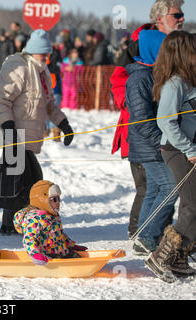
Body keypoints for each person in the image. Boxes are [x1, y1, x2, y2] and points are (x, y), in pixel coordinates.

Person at [110, 0, 185, 239]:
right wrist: (139, 105)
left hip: (161, 130)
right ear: (160, 18)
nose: (182, 19)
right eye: (177, 14)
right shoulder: (142, 44)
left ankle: (152, 234)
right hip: (143, 131)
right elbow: (120, 82)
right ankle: (141, 234)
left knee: (156, 187)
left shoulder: (176, 46)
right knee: (153, 187)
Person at [0, 29, 74, 235]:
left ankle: (20, 223)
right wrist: (7, 126)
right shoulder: (18, 66)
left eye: (48, 54)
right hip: (12, 135)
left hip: (28, 137)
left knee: (32, 180)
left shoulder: (43, 72)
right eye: (43, 54)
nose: (47, 57)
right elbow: (0, 99)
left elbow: (49, 105)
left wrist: (63, 123)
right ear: (33, 51)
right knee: (20, 180)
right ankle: (10, 226)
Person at [145, 30, 196, 283]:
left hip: (189, 149)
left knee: (192, 204)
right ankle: (161, 255)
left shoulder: (189, 81)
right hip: (177, 151)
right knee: (193, 204)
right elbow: (166, 122)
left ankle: (179, 257)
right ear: (183, 52)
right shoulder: (174, 83)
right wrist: (190, 150)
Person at [125, 30, 177, 255]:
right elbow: (141, 119)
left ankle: (142, 236)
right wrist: (163, 141)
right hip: (149, 146)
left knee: (155, 189)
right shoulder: (140, 78)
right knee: (171, 187)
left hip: (154, 145)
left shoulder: (154, 74)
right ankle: (147, 236)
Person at [13, 180, 88, 264]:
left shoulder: (52, 216)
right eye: (54, 199)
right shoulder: (35, 219)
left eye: (58, 198)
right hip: (47, 256)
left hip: (59, 252)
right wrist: (36, 255)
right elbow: (29, 239)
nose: (58, 202)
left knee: (77, 258)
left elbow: (59, 235)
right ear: (42, 199)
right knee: (76, 262)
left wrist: (71, 245)